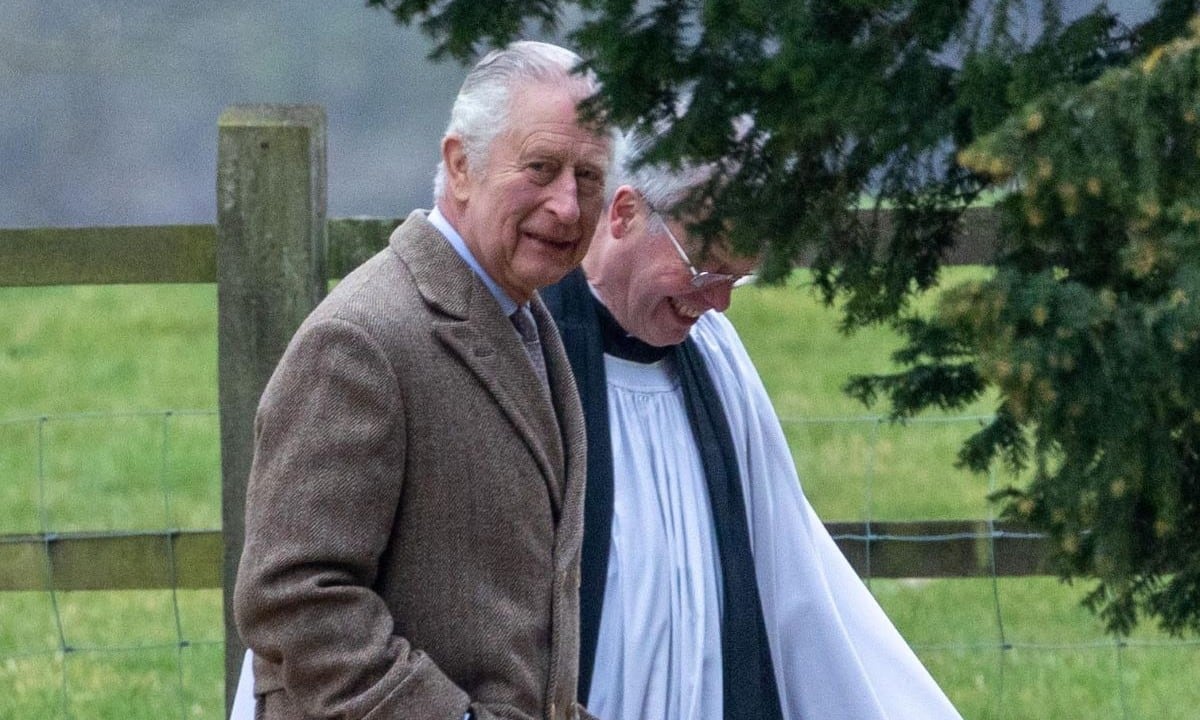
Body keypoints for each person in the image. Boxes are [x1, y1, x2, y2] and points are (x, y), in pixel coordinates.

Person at [232, 40, 614, 720]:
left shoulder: (529, 323)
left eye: (588, 177)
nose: (567, 205)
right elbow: (294, 598)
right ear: (460, 165)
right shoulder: (359, 339)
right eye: (541, 168)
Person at [538, 137, 965, 719]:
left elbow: (794, 570)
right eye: (705, 269)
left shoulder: (715, 357)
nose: (718, 303)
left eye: (736, 280)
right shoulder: (532, 351)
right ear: (624, 213)